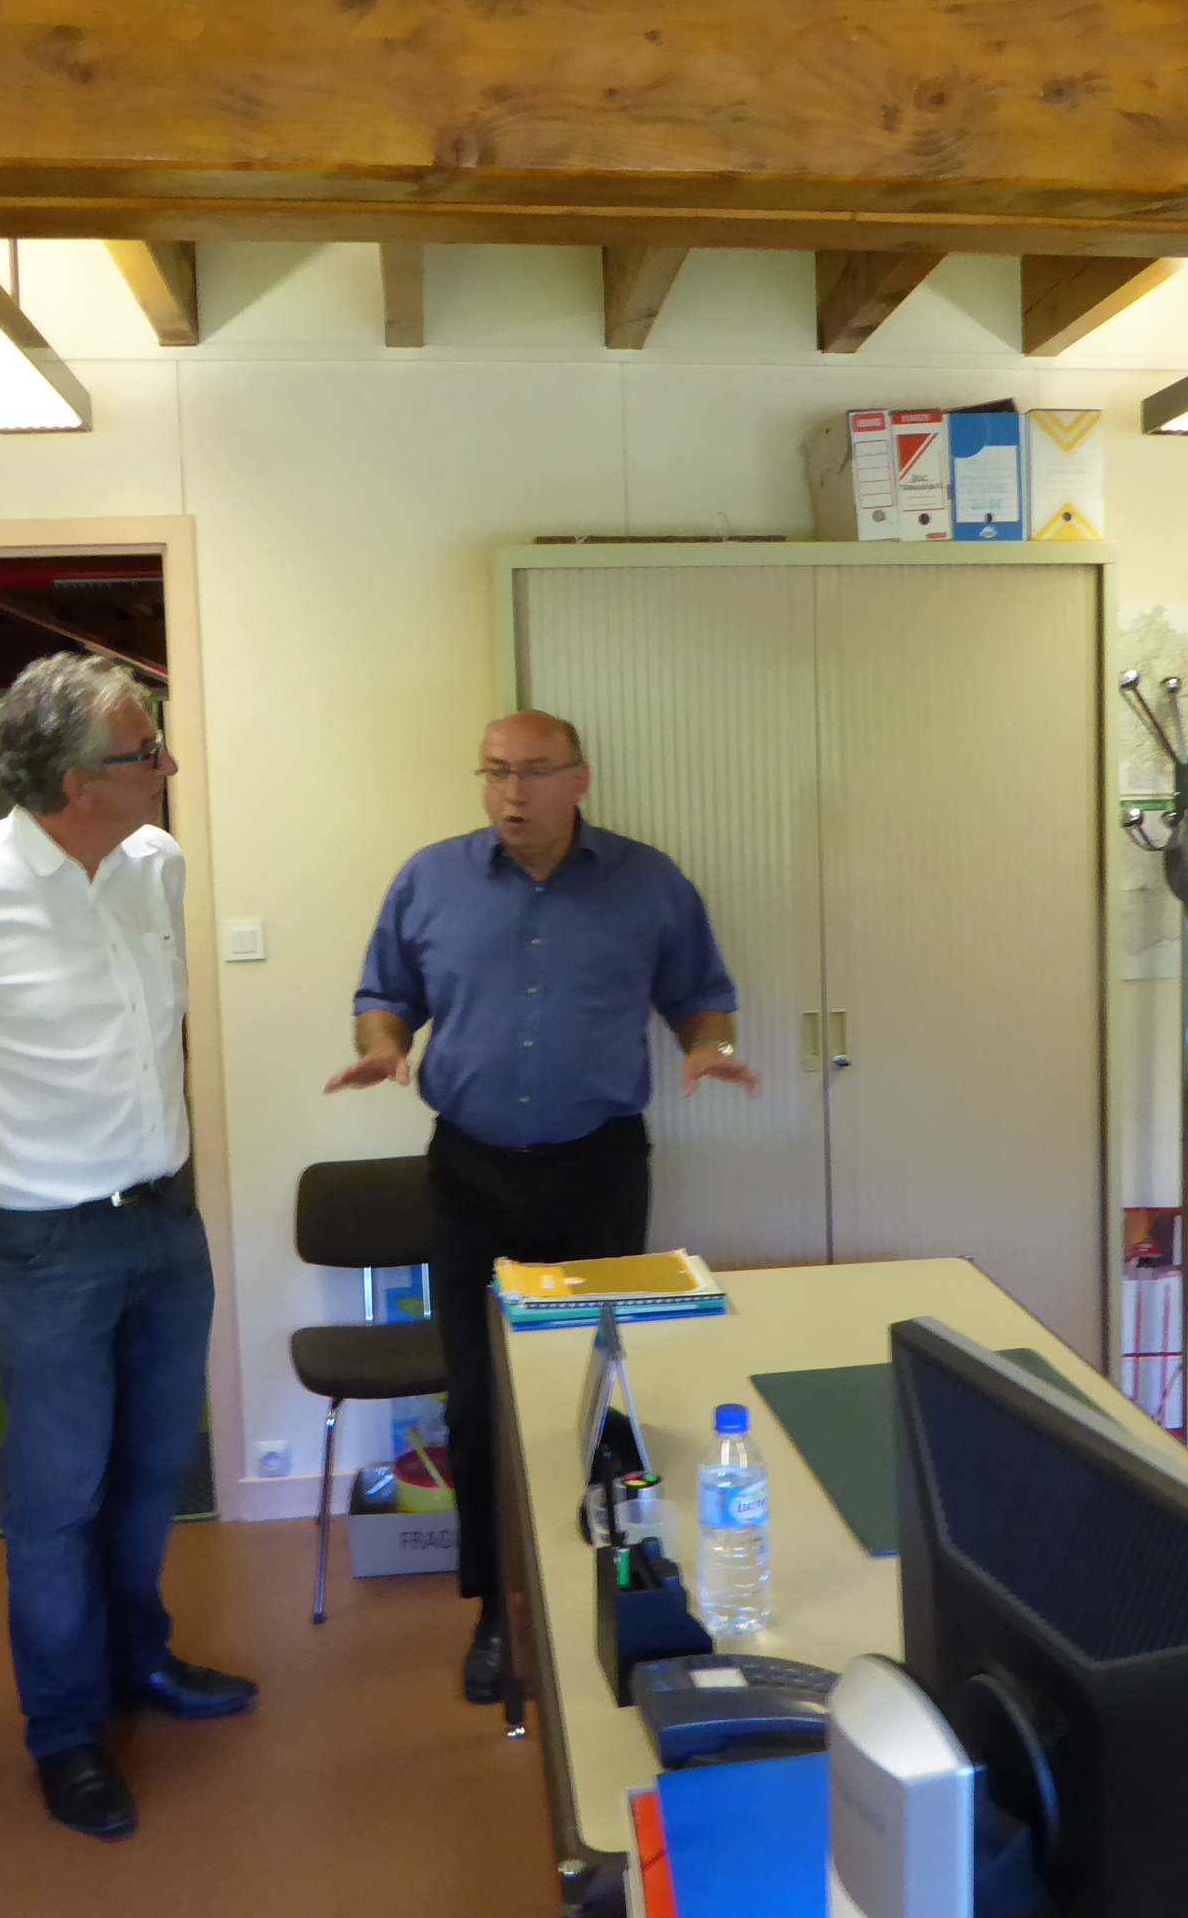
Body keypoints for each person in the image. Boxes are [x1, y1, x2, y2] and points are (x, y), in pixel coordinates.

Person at [0, 653, 250, 1843]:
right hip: (41, 1241)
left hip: (165, 1221)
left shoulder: (154, 864)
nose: (168, 765)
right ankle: (65, 1732)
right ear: (77, 782)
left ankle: (142, 1660)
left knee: (151, 1472)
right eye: (146, 751)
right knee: (56, 1499)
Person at [327, 710, 760, 1703]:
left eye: (531, 772)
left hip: (598, 1171)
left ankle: (613, 1589)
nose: (510, 793)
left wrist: (709, 1046)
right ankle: (496, 1612)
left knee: (604, 1393)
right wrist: (383, 1044)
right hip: (469, 1176)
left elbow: (701, 993)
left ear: (579, 780)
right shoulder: (429, 879)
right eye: (493, 773)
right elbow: (382, 993)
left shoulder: (649, 883)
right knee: (478, 1402)